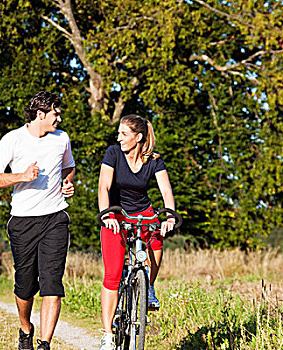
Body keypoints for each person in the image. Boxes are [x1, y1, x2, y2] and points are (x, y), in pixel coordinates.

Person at [0, 91, 75, 350]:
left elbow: (69, 167)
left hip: (55, 218)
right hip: (23, 221)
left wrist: (67, 183)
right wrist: (21, 176)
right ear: (40, 114)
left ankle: (44, 344)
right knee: (25, 286)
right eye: (55, 113)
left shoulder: (62, 139)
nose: (59, 117)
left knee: (52, 284)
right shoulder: (13, 140)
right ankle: (26, 328)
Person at [97, 114, 176, 350]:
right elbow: (104, 187)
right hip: (116, 213)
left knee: (157, 241)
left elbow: (166, 191)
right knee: (112, 274)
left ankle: (148, 286)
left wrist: (169, 215)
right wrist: (107, 215)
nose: (119, 138)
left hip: (143, 212)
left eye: (124, 134)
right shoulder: (113, 153)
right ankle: (108, 335)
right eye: (119, 133)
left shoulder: (154, 160)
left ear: (138, 137)